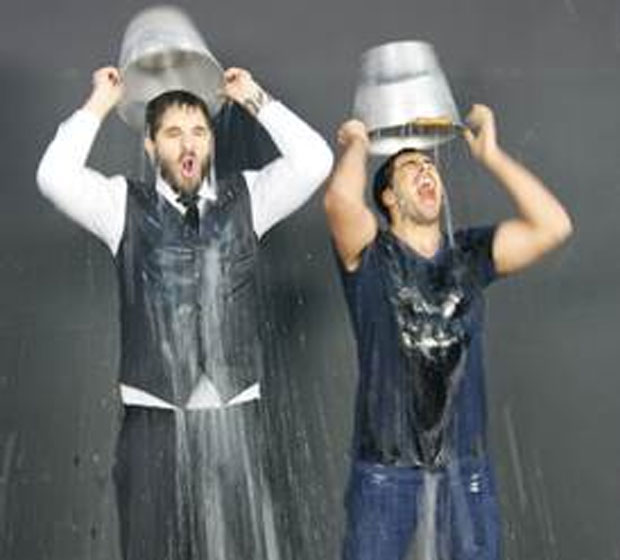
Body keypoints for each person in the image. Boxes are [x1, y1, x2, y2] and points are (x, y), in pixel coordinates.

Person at [37, 65, 333, 560]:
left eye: (199, 131)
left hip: (233, 416)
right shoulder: (120, 204)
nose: (188, 143)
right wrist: (98, 105)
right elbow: (53, 177)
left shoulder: (250, 197)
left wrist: (253, 96)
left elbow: (315, 161)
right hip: (154, 423)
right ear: (151, 146)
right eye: (174, 133)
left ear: (211, 142)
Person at [323, 105, 572, 560]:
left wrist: (491, 154)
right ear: (389, 198)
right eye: (410, 166)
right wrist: (357, 143)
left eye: (430, 165)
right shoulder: (370, 252)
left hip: (466, 468)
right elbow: (339, 202)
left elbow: (554, 225)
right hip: (385, 471)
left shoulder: (470, 254)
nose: (426, 171)